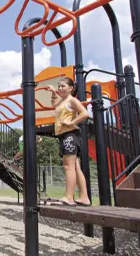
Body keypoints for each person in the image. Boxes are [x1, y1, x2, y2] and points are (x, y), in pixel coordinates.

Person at [47, 77, 91, 207]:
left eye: (63, 86)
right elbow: (54, 103)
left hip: (69, 134)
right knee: (75, 167)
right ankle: (84, 197)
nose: (60, 88)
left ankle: (69, 197)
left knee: (68, 166)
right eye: (59, 86)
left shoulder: (72, 100)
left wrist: (71, 122)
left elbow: (85, 113)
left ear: (71, 88)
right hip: (64, 135)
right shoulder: (62, 101)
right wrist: (53, 92)